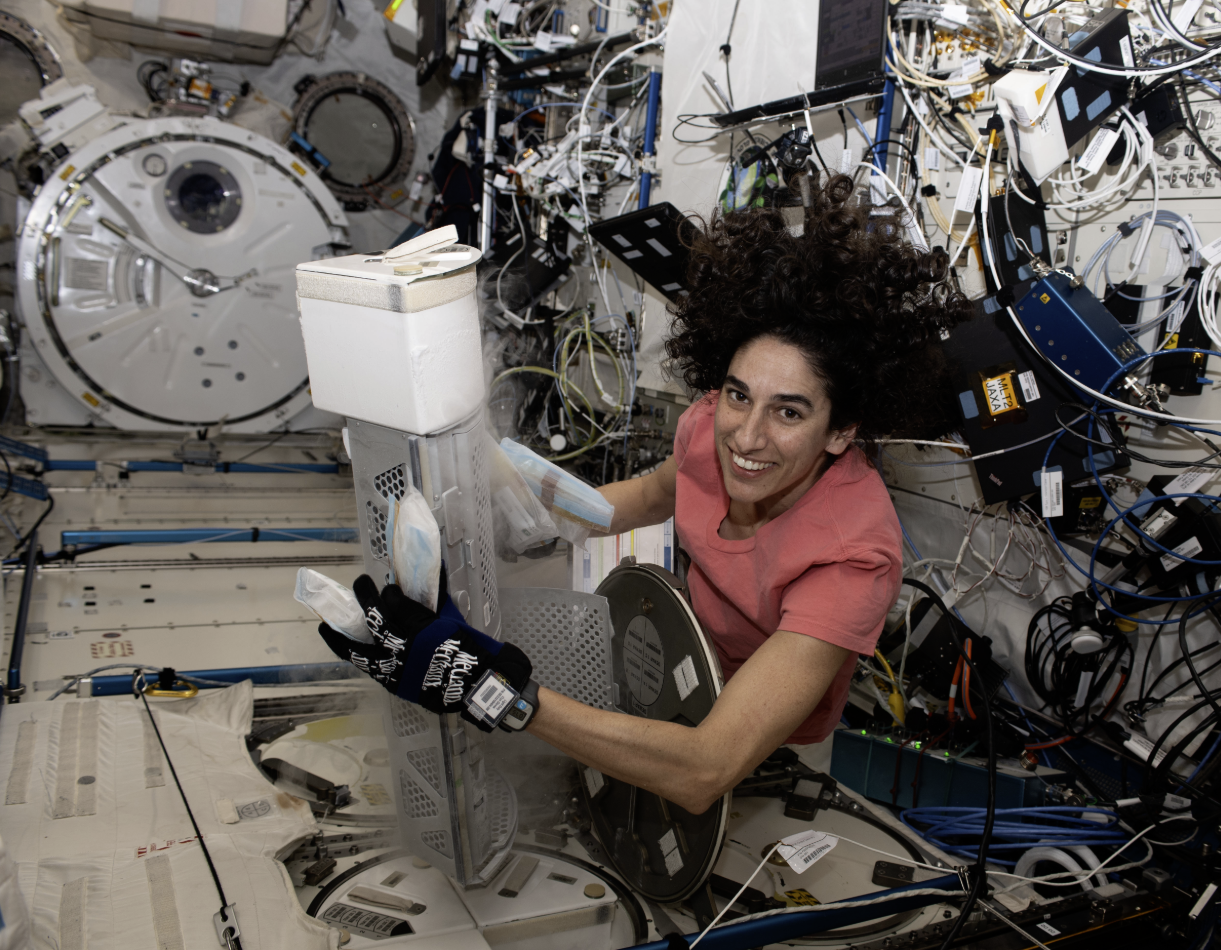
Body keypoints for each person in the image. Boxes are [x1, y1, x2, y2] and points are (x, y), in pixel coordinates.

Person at [318, 174, 969, 816]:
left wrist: (494, 690)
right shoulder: (708, 429)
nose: (745, 435)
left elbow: (706, 767)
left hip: (762, 748)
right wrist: (532, 523)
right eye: (739, 393)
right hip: (679, 681)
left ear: (841, 431)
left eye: (789, 413)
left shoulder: (851, 560)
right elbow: (647, 497)